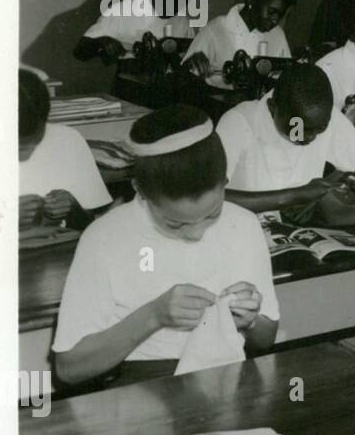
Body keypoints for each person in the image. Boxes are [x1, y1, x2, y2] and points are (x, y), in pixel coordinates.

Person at [50, 104, 279, 388]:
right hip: (141, 389)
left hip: (225, 383)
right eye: (174, 223)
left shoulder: (243, 224)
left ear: (225, 182)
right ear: (141, 190)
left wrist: (251, 321)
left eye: (211, 214)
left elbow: (266, 338)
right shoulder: (105, 238)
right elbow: (69, 367)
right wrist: (154, 315)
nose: (196, 235)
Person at [215, 63, 355, 225]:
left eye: (320, 129)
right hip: (241, 231)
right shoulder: (239, 122)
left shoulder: (322, 116)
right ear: (272, 108)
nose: (309, 137)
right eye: (297, 128)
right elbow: (207, 197)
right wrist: (294, 196)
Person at [19, 68, 112, 231]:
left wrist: (72, 207)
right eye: (18, 146)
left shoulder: (67, 139)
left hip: (57, 250)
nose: (27, 152)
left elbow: (93, 224)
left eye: (35, 140)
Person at [74, 0, 195, 62]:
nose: (175, 8)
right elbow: (80, 51)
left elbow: (190, 54)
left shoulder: (181, 19)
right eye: (170, 1)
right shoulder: (120, 11)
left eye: (181, 2)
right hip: (130, 84)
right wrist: (102, 41)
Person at [183, 0, 294, 77]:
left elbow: (286, 78)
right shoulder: (214, 30)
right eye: (271, 12)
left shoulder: (277, 35)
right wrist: (191, 66)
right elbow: (183, 77)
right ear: (252, 1)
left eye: (280, 15)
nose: (275, 20)